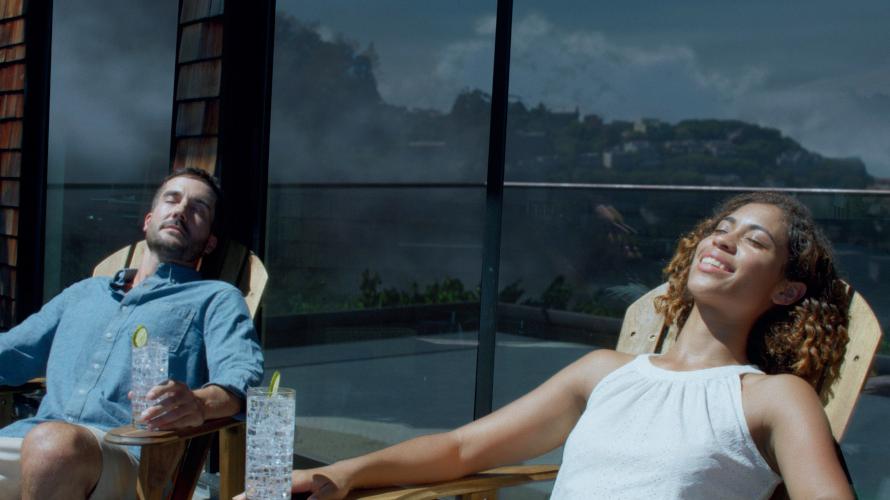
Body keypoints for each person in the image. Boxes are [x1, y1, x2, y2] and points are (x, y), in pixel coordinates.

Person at [270, 192, 853, 500]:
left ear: (785, 290)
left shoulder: (773, 399)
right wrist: (345, 473)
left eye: (754, 241)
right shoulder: (603, 372)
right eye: (720, 230)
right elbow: (461, 450)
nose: (723, 241)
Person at [0, 167, 264, 500]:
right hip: (27, 439)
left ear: (210, 242)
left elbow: (242, 379)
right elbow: (11, 353)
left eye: (198, 209)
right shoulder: (84, 293)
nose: (181, 210)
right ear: (148, 221)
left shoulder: (216, 298)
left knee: (53, 445)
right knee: (48, 443)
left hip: (128, 455)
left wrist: (199, 403)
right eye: (172, 199)